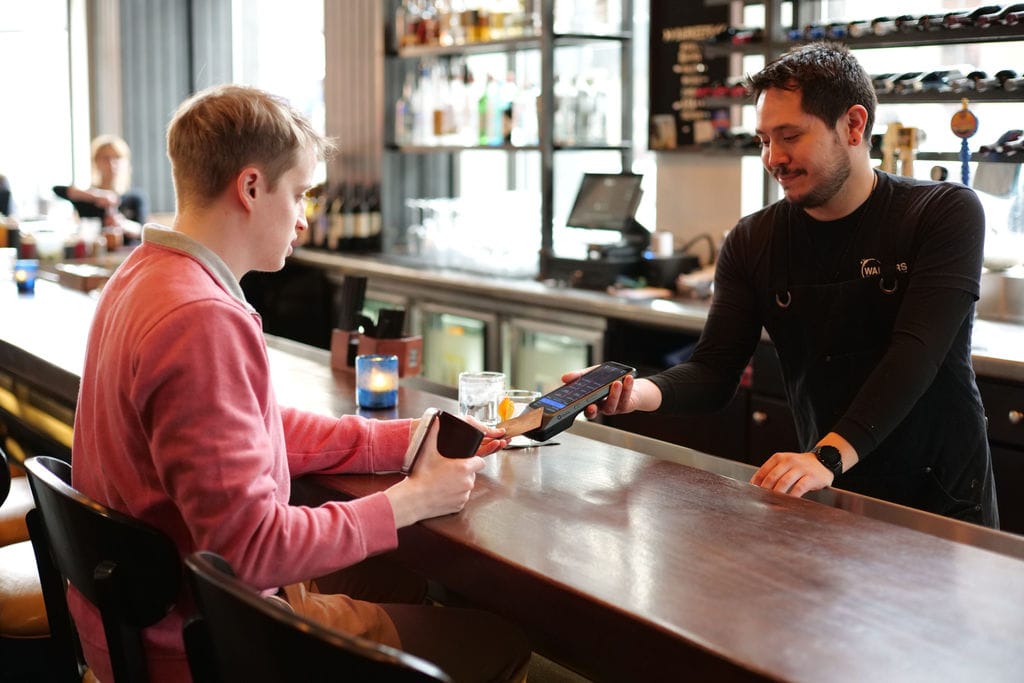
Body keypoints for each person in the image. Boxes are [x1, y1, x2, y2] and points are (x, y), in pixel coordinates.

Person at [70, 84, 530, 683]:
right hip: (202, 642)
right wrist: (413, 499)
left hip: (138, 615)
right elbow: (252, 550)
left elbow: (244, 426)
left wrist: (407, 438)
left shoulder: (144, 273)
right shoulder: (199, 318)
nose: (306, 217)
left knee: (404, 580)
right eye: (301, 193)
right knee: (497, 642)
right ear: (252, 187)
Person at [576, 41, 998, 527]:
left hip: (940, 496)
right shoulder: (754, 240)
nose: (773, 157)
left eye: (790, 136)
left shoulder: (942, 212)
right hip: (828, 491)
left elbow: (914, 355)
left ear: (854, 126)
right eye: (762, 140)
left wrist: (827, 457)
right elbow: (714, 372)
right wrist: (636, 393)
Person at [53, 134, 148, 242]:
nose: (112, 163)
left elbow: (143, 231)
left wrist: (122, 224)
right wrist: (96, 196)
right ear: (96, 162)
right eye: (106, 158)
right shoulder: (86, 199)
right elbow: (57, 190)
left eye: (117, 157)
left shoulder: (135, 197)